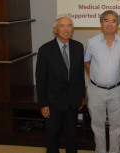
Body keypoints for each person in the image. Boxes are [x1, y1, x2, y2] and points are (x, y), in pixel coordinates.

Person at [36, 14, 85, 153]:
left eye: (69, 25)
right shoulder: (45, 50)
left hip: (72, 100)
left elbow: (80, 74)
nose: (66, 29)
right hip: (52, 102)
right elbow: (40, 79)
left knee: (72, 135)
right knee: (52, 135)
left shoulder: (78, 47)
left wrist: (81, 96)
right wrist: (43, 103)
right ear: (55, 30)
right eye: (62, 26)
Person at [84, 10, 120, 153]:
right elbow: (86, 62)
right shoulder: (91, 42)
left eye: (113, 21)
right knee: (97, 124)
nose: (110, 24)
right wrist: (98, 76)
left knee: (117, 125)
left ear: (118, 24)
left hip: (117, 89)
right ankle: (100, 151)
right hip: (96, 90)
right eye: (106, 21)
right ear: (101, 23)